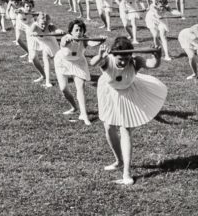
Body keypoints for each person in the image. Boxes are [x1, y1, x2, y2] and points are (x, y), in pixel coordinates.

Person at [90, 37, 166, 185]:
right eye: (120, 58)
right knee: (109, 127)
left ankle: (126, 173)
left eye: (126, 58)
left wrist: (157, 56)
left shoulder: (135, 61)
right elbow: (93, 62)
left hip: (128, 92)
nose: (124, 62)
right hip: (109, 92)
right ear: (114, 55)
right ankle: (118, 160)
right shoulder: (108, 60)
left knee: (126, 129)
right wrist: (100, 55)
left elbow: (153, 65)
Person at [53, 19, 101, 125]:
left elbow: (92, 43)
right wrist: (67, 41)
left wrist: (100, 41)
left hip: (78, 63)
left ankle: (84, 115)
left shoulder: (84, 38)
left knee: (80, 88)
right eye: (76, 30)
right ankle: (74, 107)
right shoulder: (66, 37)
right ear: (71, 31)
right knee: (63, 88)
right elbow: (63, 43)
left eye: (81, 30)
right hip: (63, 62)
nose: (79, 32)